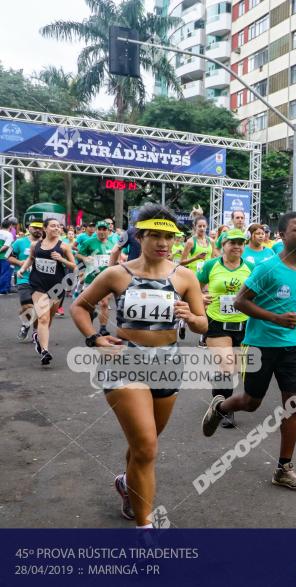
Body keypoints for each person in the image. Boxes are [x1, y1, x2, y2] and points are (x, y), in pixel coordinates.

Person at [72, 205, 207, 527]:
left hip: (168, 364)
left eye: (169, 237)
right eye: (155, 236)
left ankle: (127, 484)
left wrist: (191, 316)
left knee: (143, 444)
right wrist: (95, 339)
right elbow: (80, 306)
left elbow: (204, 324)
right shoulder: (117, 273)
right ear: (139, 236)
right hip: (125, 361)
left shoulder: (184, 276)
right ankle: (145, 527)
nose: (163, 243)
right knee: (146, 447)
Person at [202, 212, 296, 491]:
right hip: (260, 345)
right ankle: (220, 406)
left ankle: (284, 468)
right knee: (251, 402)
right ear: (282, 236)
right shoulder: (268, 268)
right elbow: (239, 302)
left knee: (292, 405)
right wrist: (274, 319)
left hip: (293, 347)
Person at [197, 229, 253, 429]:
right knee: (228, 366)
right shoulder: (211, 265)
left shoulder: (251, 267)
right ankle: (224, 409)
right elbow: (193, 286)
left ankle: (219, 383)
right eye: (232, 242)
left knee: (234, 369)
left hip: (244, 324)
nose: (237, 246)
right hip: (216, 322)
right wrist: (200, 297)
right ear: (223, 245)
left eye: (240, 242)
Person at [17, 219, 77, 366]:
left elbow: (74, 266)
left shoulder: (64, 246)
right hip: (38, 285)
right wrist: (23, 269)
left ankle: (38, 335)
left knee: (48, 319)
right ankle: (45, 351)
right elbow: (31, 258)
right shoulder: (35, 245)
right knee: (43, 318)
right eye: (53, 226)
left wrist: (62, 259)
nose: (56, 228)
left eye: (58, 226)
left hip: (57, 287)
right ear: (45, 228)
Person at [76, 221, 115, 337]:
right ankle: (90, 320)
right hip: (91, 278)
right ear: (97, 230)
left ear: (108, 231)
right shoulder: (89, 242)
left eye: (104, 230)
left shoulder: (113, 244)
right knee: (90, 305)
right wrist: (85, 258)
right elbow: (78, 254)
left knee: (104, 303)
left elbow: (117, 258)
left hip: (107, 279)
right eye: (100, 229)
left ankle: (103, 328)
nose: (102, 232)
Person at [8, 221, 42, 342]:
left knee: (38, 308)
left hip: (40, 280)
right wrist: (19, 263)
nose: (38, 230)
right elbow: (8, 256)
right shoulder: (19, 242)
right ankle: (26, 324)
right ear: (29, 228)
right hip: (23, 278)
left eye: (40, 228)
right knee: (27, 306)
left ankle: (35, 332)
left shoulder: (45, 243)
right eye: (35, 228)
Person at [0, 217, 14, 295]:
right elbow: (6, 246)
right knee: (5, 273)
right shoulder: (9, 234)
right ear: (10, 226)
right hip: (4, 256)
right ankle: (2, 289)